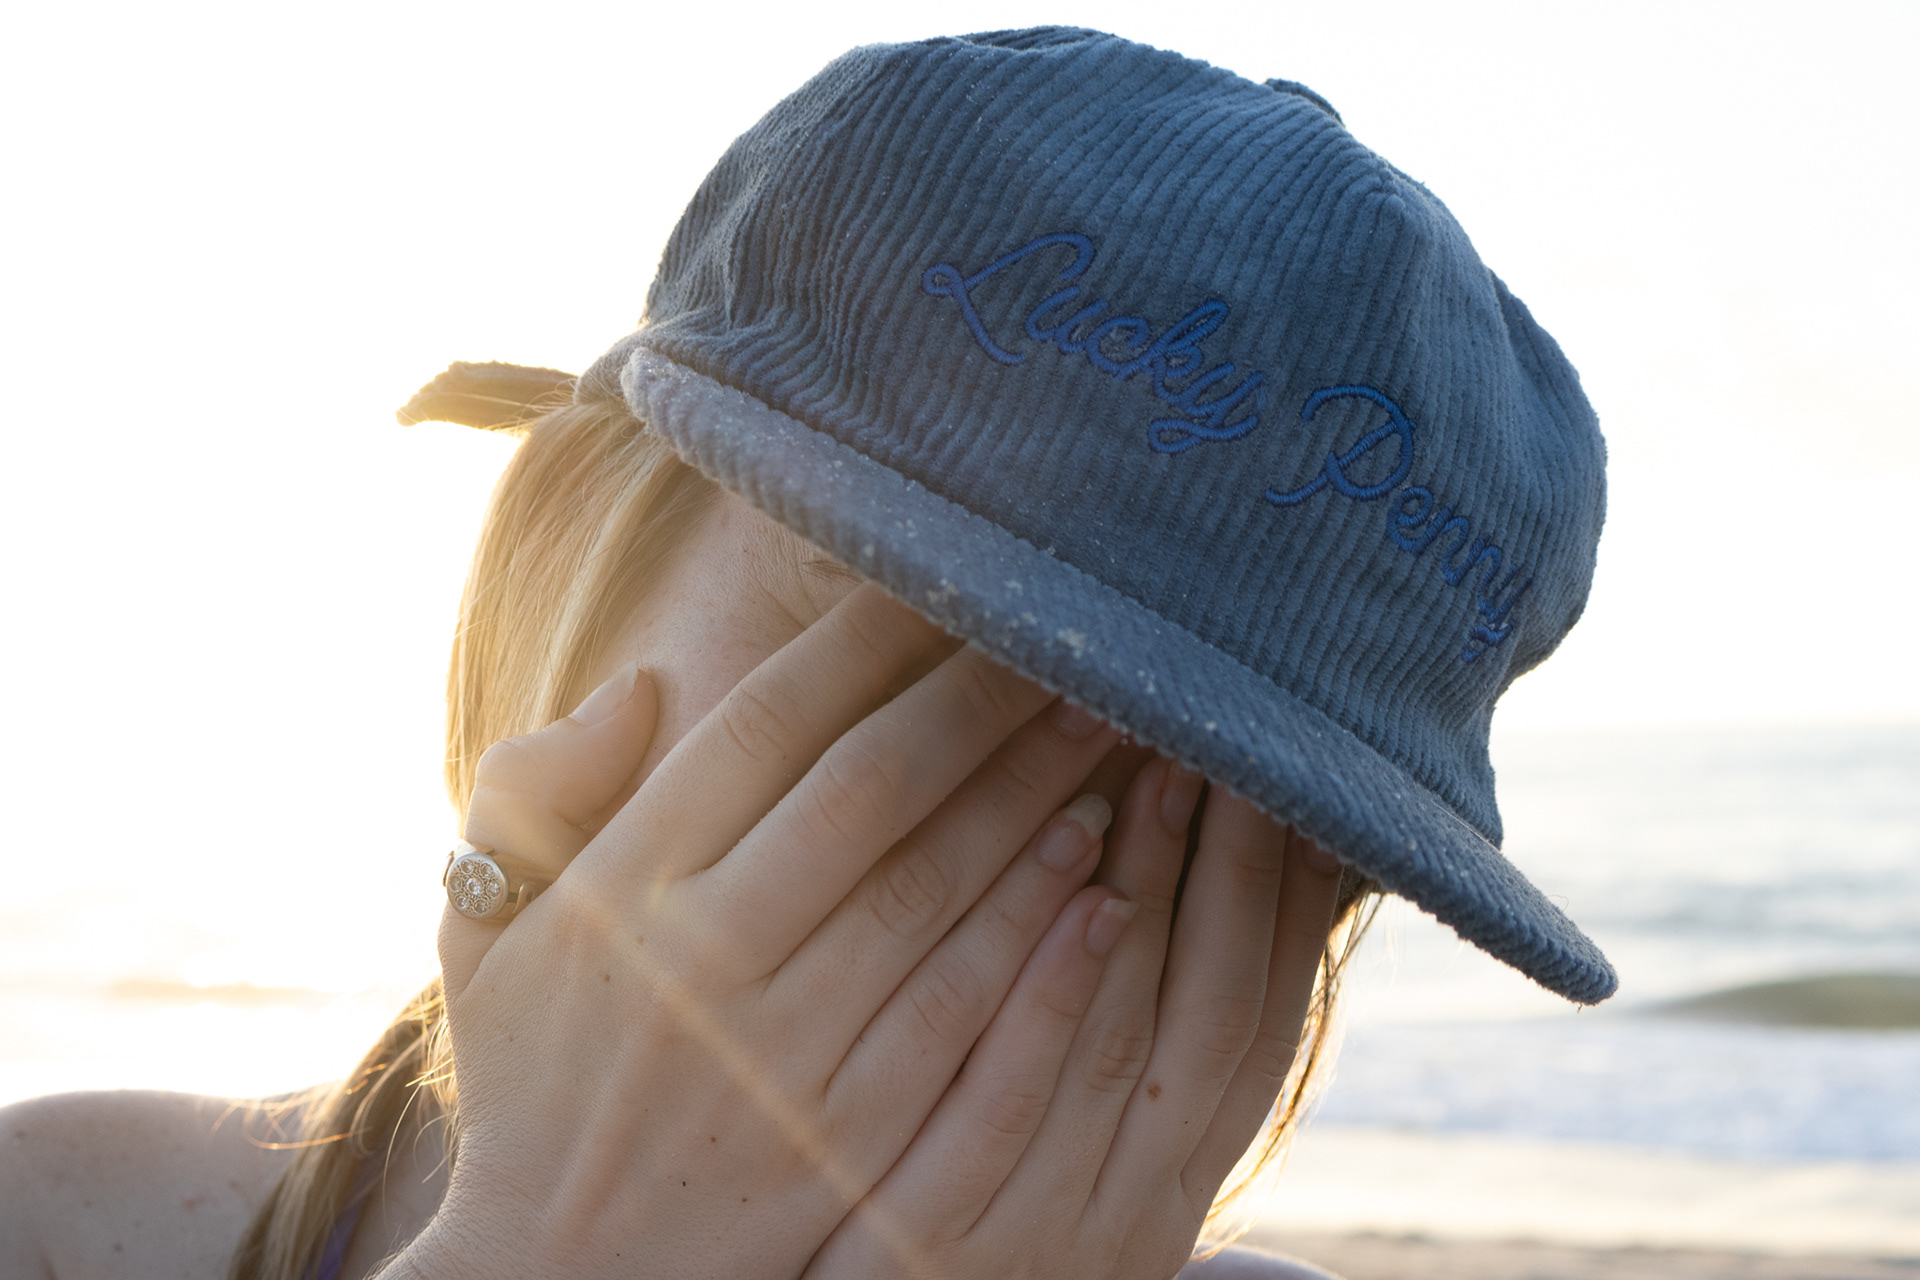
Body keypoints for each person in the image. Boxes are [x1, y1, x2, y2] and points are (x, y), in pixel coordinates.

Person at [0, 26, 1613, 1280]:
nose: (1010, 879)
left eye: (1213, 808)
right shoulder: (62, 1221)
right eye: (906, 663)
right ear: (564, 553)